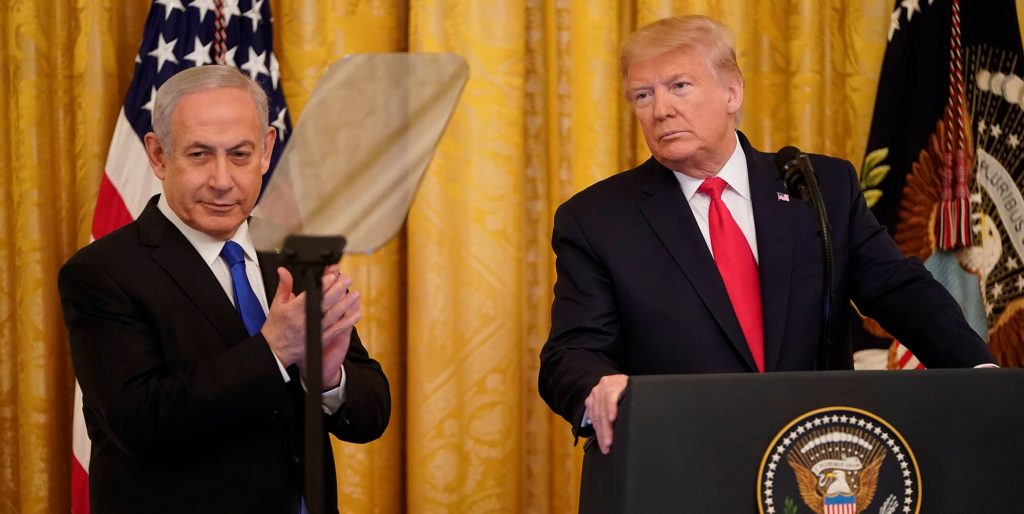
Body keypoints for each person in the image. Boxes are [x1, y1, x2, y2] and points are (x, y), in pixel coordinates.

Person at [538, 15, 995, 456]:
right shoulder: (597, 220)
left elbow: (898, 290)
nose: (661, 110)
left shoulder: (819, 187)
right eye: (642, 95)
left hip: (813, 456)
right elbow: (571, 353)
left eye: (679, 86)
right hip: (680, 461)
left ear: (732, 91)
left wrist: (980, 370)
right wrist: (597, 388)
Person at [59, 65, 390, 513]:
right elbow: (140, 424)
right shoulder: (101, 272)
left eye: (239, 154)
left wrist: (328, 377)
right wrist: (273, 351)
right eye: (199, 155)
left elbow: (369, 418)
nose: (221, 180)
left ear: (267, 151)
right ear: (158, 156)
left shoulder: (293, 255)